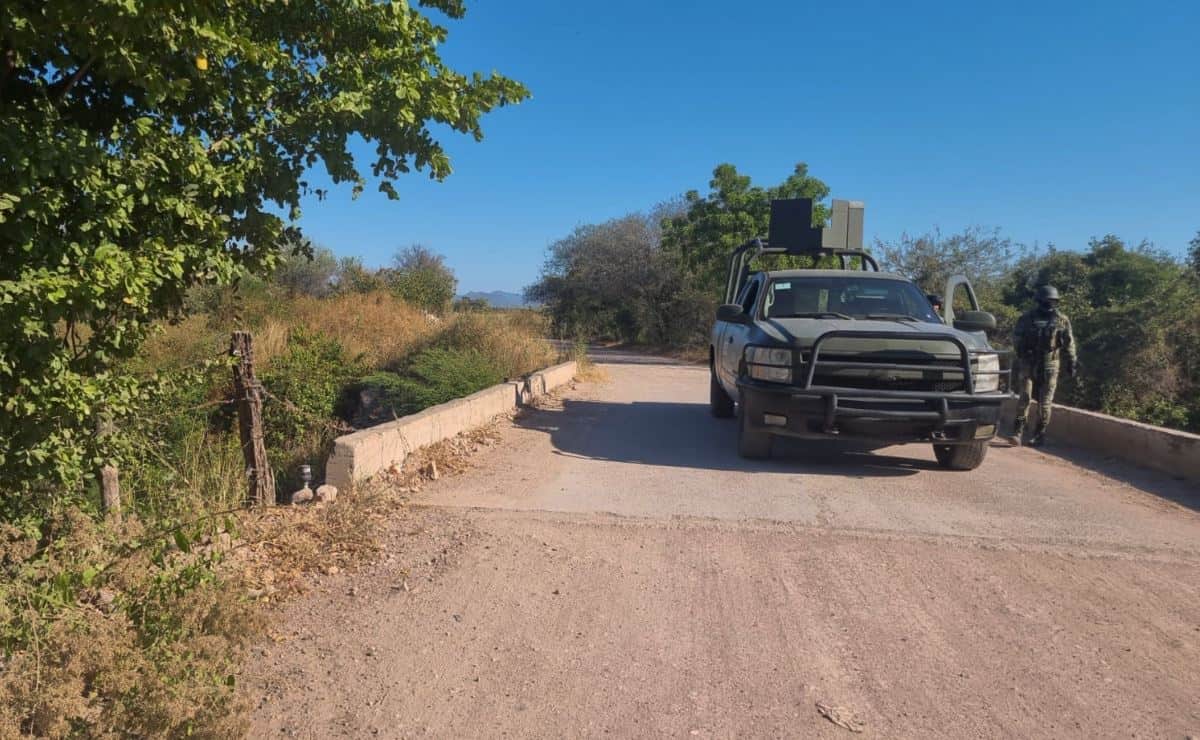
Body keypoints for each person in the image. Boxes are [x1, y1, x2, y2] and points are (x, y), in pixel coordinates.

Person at [1008, 285, 1078, 446]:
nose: (1049, 304)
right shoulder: (1027, 318)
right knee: (1024, 398)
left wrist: (1072, 362)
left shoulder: (1062, 320)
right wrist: (1022, 352)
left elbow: (1069, 342)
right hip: (1028, 363)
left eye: (1052, 301)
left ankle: (1039, 434)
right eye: (1046, 300)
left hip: (1050, 365)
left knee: (1045, 403)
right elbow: (1017, 338)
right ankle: (1017, 431)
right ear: (1039, 300)